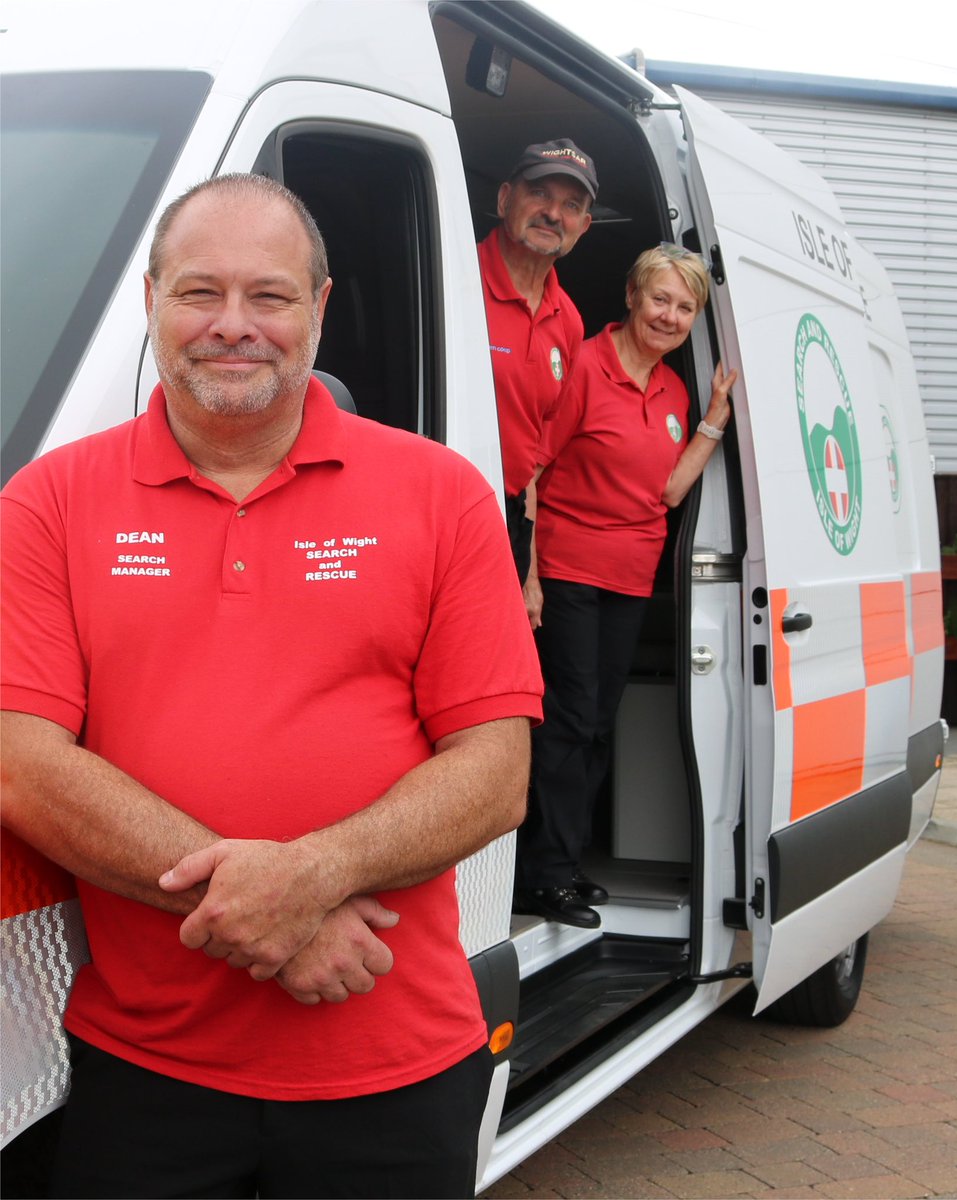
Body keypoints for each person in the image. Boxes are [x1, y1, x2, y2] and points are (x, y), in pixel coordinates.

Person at [0, 173, 543, 1199]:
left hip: (396, 1065)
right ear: (151, 299)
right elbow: (23, 766)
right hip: (146, 1076)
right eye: (200, 292)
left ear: (320, 308)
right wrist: (277, 912)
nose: (233, 325)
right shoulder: (48, 503)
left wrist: (316, 872)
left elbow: (495, 771)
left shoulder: (442, 495)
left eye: (270, 295)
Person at [514, 243, 738, 928]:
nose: (669, 316)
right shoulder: (583, 365)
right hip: (569, 570)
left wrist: (713, 420)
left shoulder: (673, 390)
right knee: (569, 721)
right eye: (659, 298)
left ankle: (565, 862)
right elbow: (530, 473)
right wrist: (528, 575)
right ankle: (541, 876)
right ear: (632, 296)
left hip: (631, 576)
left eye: (684, 307)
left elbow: (668, 492)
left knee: (598, 725)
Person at [477, 138, 596, 626]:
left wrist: (529, 574)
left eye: (571, 205)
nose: (552, 213)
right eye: (540, 193)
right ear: (505, 198)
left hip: (506, 523)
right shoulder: (454, 275)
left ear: (583, 227)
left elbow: (532, 456)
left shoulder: (568, 322)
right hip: (434, 512)